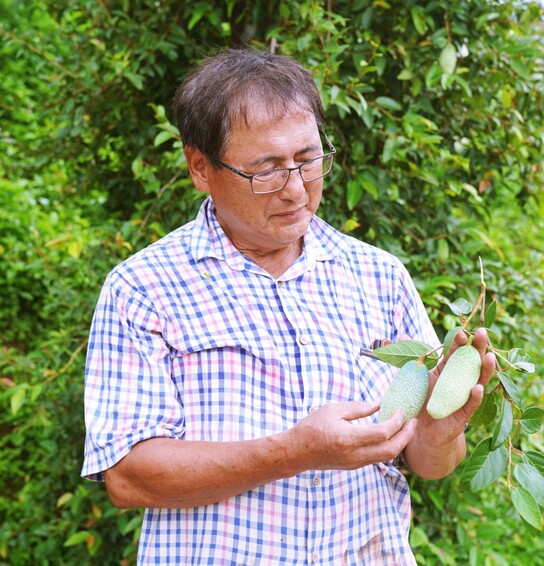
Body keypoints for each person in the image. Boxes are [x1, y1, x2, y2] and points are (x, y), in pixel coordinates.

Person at [82, 47, 496, 565]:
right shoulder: (143, 288)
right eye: (267, 170)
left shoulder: (378, 277)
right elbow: (129, 477)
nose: (296, 189)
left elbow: (430, 462)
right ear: (200, 168)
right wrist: (295, 451)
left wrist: (439, 433)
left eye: (308, 159)